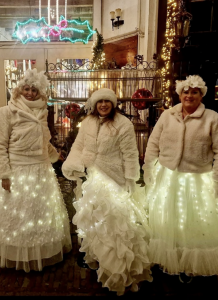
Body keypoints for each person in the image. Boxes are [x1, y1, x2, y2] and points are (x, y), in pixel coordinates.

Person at [62, 88, 152, 296]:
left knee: (114, 223)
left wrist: (130, 178)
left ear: (113, 104)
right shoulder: (87, 123)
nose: (103, 105)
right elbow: (78, 146)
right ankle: (97, 256)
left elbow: (130, 153)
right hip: (92, 177)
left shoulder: (123, 124)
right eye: (99, 101)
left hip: (114, 178)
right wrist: (73, 164)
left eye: (107, 101)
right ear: (94, 104)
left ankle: (117, 266)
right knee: (94, 218)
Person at [0, 69, 72, 272]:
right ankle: (15, 253)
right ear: (19, 90)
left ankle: (39, 251)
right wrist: (3, 174)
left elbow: (43, 140)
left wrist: (55, 156)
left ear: (40, 93)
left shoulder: (42, 111)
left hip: (41, 170)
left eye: (34, 90)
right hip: (18, 170)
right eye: (27, 89)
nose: (30, 93)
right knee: (18, 217)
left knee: (39, 214)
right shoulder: (6, 112)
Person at [143, 75, 218, 282]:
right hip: (167, 177)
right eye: (186, 91)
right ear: (180, 94)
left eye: (194, 92)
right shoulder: (168, 115)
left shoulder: (212, 118)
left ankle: (190, 263)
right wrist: (148, 169)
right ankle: (169, 258)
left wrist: (216, 180)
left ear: (201, 95)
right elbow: (153, 144)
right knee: (167, 222)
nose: (189, 95)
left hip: (197, 179)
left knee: (193, 225)